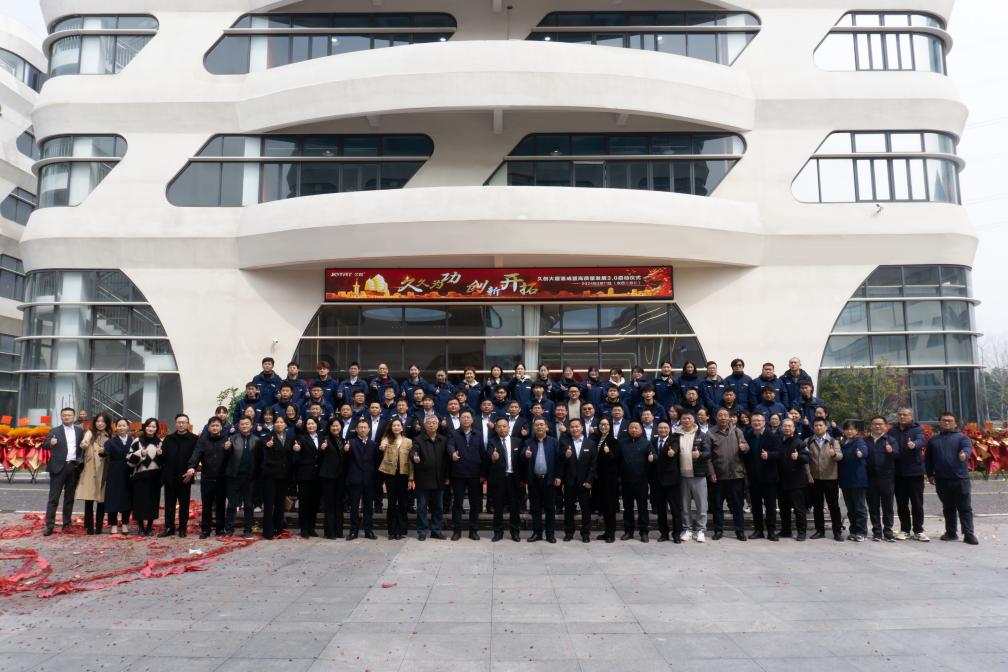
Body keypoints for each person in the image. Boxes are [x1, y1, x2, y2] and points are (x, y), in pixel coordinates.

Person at [926, 412, 978, 545]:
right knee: (948, 507)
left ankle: (969, 534)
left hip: (960, 479)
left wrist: (964, 454)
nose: (947, 422)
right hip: (942, 480)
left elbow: (967, 449)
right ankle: (951, 533)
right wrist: (929, 474)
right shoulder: (933, 440)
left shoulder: (962, 438)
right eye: (944, 420)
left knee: (965, 508)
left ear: (955, 423)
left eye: (950, 420)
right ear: (940, 422)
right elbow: (928, 459)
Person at [707, 408, 750, 541]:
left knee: (737, 505)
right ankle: (718, 530)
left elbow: (746, 447)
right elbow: (708, 456)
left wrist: (744, 448)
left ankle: (740, 531)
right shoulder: (710, 433)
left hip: (736, 475)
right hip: (718, 476)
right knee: (717, 505)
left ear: (729, 417)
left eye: (725, 415)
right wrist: (711, 472)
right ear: (716, 418)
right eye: (720, 415)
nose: (723, 418)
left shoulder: (737, 431)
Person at [43, 407, 85, 535]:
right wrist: (51, 443)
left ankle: (67, 523)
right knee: (53, 498)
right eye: (64, 415)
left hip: (73, 467)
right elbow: (45, 445)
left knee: (69, 498)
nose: (66, 417)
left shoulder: (79, 431)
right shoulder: (54, 431)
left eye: (69, 415)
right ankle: (49, 526)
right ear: (61, 417)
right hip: (58, 468)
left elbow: (83, 447)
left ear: (74, 416)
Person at [888, 407, 929, 541]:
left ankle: (918, 530)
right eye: (900, 414)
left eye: (905, 415)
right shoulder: (892, 430)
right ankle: (905, 529)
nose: (902, 417)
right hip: (898, 473)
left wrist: (914, 444)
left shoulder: (917, 429)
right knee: (901, 504)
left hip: (914, 473)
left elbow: (921, 440)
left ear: (911, 416)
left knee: (917, 503)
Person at [187, 417, 230, 539]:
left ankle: (220, 528)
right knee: (207, 505)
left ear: (221, 427)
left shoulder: (227, 439)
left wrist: (228, 449)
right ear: (208, 427)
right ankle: (205, 529)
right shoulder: (203, 440)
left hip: (222, 478)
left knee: (221, 505)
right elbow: (196, 454)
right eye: (212, 426)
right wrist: (192, 467)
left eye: (217, 425)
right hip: (207, 477)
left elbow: (231, 457)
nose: (215, 428)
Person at [448, 410, 486, 541]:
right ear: (459, 419)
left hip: (475, 474)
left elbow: (482, 453)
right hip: (458, 473)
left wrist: (483, 472)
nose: (465, 419)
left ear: (472, 420)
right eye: (463, 417)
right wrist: (452, 453)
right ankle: (457, 531)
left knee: (475, 504)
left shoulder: (478, 434)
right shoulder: (454, 433)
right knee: (457, 504)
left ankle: (473, 531)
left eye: (468, 417)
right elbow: (450, 446)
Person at [523, 417, 561, 543]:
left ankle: (550, 534)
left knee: (550, 509)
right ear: (534, 428)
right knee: (535, 509)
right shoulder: (528, 442)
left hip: (549, 480)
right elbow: (521, 456)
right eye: (537, 425)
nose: (539, 427)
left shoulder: (554, 442)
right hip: (534, 480)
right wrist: (525, 455)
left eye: (541, 424)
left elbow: (558, 461)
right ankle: (537, 533)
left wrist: (558, 476)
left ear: (546, 427)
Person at [411, 414, 449, 540]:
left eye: (434, 423)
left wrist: (447, 476)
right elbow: (413, 451)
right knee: (422, 507)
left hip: (439, 479)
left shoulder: (443, 439)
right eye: (429, 423)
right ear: (424, 425)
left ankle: (436, 530)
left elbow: (447, 459)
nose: (432, 425)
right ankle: (422, 531)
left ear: (437, 425)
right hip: (423, 479)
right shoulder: (418, 439)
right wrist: (414, 457)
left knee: (438, 507)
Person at [675, 411, 711, 542]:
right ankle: (687, 529)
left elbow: (708, 452)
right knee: (685, 506)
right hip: (682, 476)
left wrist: (700, 455)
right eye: (684, 418)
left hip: (698, 475)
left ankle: (700, 530)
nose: (686, 420)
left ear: (694, 420)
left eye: (689, 418)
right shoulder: (676, 435)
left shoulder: (702, 435)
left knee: (701, 505)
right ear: (680, 420)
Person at [806, 418, 844, 541]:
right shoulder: (808, 441)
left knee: (834, 506)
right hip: (815, 479)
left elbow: (840, 456)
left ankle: (837, 532)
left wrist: (834, 454)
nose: (818, 427)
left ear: (826, 427)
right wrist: (808, 475)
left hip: (831, 478)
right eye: (816, 425)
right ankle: (819, 531)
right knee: (817, 507)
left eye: (820, 425)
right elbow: (806, 460)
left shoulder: (833, 441)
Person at [160, 413, 197, 538]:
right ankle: (169, 528)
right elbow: (163, 457)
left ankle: (182, 528)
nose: (181, 424)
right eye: (179, 422)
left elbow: (196, 457)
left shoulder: (194, 439)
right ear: (176, 423)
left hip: (185, 476)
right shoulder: (169, 438)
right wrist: (160, 453)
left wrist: (193, 469)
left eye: (183, 422)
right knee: (169, 504)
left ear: (188, 424)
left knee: (184, 505)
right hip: (169, 476)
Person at [560, 418, 597, 543]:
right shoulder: (564, 442)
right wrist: (565, 456)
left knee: (585, 509)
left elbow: (593, 464)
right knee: (569, 508)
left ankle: (585, 533)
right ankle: (569, 532)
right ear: (569, 429)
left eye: (577, 426)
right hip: (569, 482)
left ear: (582, 428)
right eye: (572, 427)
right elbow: (559, 461)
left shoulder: (590, 444)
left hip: (584, 482)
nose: (575, 429)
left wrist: (589, 480)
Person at [486, 417, 523, 542]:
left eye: (504, 426)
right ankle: (498, 532)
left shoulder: (517, 441)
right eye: (499, 427)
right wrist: (493, 457)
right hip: (498, 479)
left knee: (514, 507)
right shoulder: (492, 442)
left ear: (509, 427)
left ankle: (515, 532)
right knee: (498, 507)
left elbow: (521, 460)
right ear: (496, 429)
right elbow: (488, 455)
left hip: (513, 478)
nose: (502, 429)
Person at [224, 416, 261, 538]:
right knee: (232, 504)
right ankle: (229, 529)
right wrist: (226, 449)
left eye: (247, 424)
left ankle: (247, 530)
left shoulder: (257, 440)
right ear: (238, 426)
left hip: (250, 478)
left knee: (249, 505)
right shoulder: (232, 439)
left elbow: (259, 460)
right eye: (242, 424)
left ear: (251, 425)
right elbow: (226, 458)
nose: (244, 426)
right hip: (234, 476)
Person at [258, 415, 293, 539]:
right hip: (270, 475)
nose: (279, 424)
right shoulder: (269, 436)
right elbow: (263, 443)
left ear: (285, 424)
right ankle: (268, 531)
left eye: (281, 422)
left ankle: (279, 528)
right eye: (277, 422)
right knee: (269, 503)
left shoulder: (289, 437)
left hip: (284, 475)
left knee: (280, 503)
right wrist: (267, 444)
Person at [126, 418, 163, 537]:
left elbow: (165, 461)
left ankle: (149, 527)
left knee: (153, 502)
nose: (151, 428)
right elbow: (129, 460)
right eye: (149, 426)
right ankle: (141, 527)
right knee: (139, 502)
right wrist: (140, 454)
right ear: (144, 427)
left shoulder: (160, 442)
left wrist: (161, 455)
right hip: (140, 476)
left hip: (155, 477)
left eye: (153, 427)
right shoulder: (137, 441)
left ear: (157, 429)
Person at [379, 418, 414, 540]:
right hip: (390, 475)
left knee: (403, 503)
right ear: (391, 427)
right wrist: (382, 446)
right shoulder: (387, 439)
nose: (396, 427)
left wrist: (411, 478)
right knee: (391, 503)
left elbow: (410, 461)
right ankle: (391, 530)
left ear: (402, 427)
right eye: (394, 425)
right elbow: (382, 446)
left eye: (398, 425)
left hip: (404, 475)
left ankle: (401, 530)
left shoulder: (408, 441)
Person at [865, 416, 899, 542]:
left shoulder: (890, 440)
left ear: (885, 426)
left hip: (887, 478)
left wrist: (891, 451)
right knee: (873, 507)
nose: (877, 426)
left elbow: (897, 455)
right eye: (875, 424)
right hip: (870, 478)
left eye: (880, 424)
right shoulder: (865, 440)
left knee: (887, 507)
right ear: (871, 426)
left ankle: (888, 532)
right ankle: (877, 532)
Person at [618, 420, 652, 542]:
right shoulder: (622, 443)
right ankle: (628, 531)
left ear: (641, 430)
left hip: (641, 481)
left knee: (643, 508)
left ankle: (644, 532)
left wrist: (653, 457)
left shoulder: (646, 443)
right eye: (631, 427)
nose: (633, 430)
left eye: (636, 428)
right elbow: (617, 461)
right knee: (627, 508)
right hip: (626, 481)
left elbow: (653, 457)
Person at [77, 412, 111, 535]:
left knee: (101, 500)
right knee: (89, 499)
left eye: (103, 421)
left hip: (104, 469)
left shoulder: (109, 436)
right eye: (98, 421)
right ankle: (90, 527)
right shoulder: (90, 433)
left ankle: (99, 527)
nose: (100, 424)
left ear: (107, 423)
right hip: (90, 469)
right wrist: (84, 444)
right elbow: (84, 442)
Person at [346, 418, 379, 540]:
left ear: (369, 429)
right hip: (355, 479)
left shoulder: (374, 445)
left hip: (369, 480)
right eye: (361, 427)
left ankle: (368, 530)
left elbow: (376, 462)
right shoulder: (350, 443)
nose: (363, 429)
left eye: (365, 427)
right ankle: (353, 531)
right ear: (357, 429)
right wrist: (346, 450)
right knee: (354, 507)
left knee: (368, 507)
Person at [651, 419, 683, 543]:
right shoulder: (653, 441)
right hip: (657, 481)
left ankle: (677, 534)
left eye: (665, 428)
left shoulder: (674, 440)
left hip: (672, 481)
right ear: (657, 429)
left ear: (669, 429)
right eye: (660, 428)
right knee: (661, 510)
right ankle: (663, 533)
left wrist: (672, 452)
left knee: (675, 509)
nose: (663, 430)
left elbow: (675, 450)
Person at [778, 418, 809, 541]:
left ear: (794, 428)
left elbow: (807, 458)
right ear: (781, 428)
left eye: (789, 426)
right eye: (785, 426)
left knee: (799, 509)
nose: (787, 428)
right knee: (783, 509)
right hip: (782, 481)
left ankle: (802, 532)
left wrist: (799, 456)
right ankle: (786, 531)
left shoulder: (799, 442)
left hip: (797, 482)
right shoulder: (779, 441)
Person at [838, 421, 869, 542]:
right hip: (846, 480)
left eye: (852, 429)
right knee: (850, 509)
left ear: (856, 431)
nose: (849, 431)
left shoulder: (859, 441)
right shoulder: (843, 443)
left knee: (859, 508)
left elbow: (864, 451)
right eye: (847, 429)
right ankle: (853, 531)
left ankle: (862, 532)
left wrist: (861, 454)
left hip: (858, 480)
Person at [293, 417, 321, 538]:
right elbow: (297, 447)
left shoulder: (322, 437)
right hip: (305, 474)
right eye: (308, 424)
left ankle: (311, 527)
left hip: (318, 475)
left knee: (315, 503)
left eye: (313, 423)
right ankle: (304, 528)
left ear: (317, 424)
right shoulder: (301, 437)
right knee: (304, 502)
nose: (311, 426)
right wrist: (297, 448)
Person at [593, 417, 620, 543]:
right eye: (601, 424)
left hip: (609, 479)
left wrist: (609, 453)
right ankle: (606, 532)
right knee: (603, 506)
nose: (603, 426)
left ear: (610, 426)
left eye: (606, 424)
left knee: (610, 507)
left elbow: (616, 460)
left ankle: (611, 533)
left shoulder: (613, 441)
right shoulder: (596, 439)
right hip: (599, 478)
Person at [104, 418, 132, 535]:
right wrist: (102, 452)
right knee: (113, 498)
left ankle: (125, 523)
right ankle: (114, 524)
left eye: (124, 425)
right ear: (116, 427)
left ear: (128, 427)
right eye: (119, 425)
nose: (121, 428)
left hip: (129, 471)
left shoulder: (132, 441)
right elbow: (105, 452)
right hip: (114, 472)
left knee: (127, 497)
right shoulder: (110, 442)